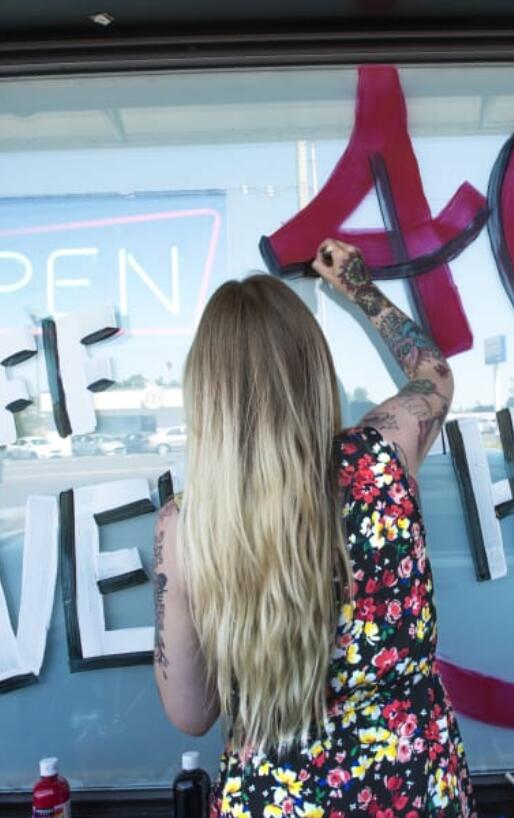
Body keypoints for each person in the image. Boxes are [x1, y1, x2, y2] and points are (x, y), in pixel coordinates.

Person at [152, 238, 478, 817]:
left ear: (206, 394)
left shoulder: (187, 526)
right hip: (414, 789)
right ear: (314, 370)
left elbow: (190, 713)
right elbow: (434, 375)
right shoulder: (383, 456)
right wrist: (358, 287)